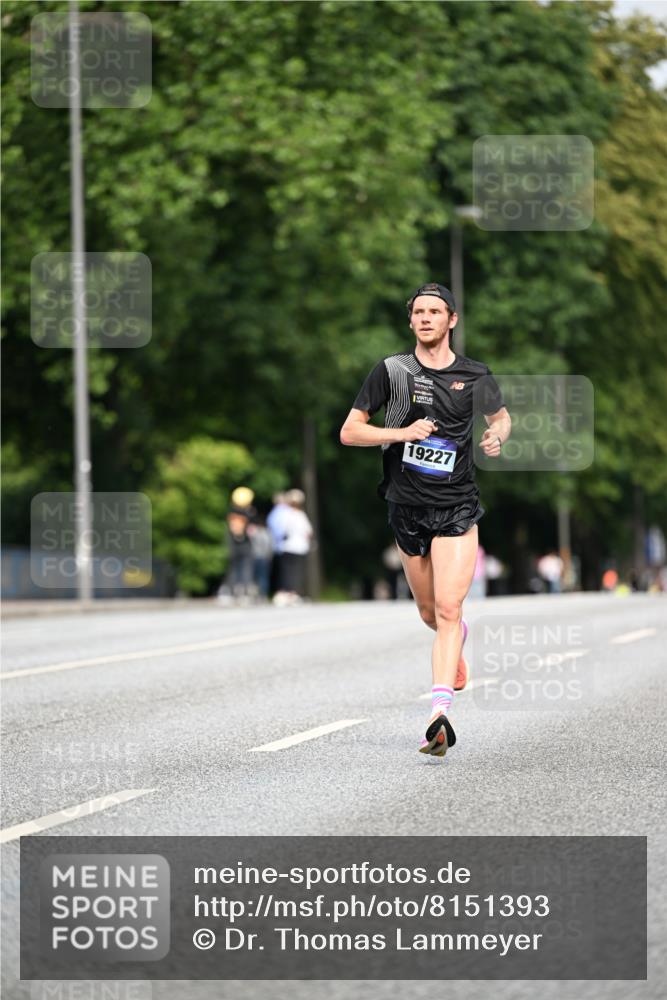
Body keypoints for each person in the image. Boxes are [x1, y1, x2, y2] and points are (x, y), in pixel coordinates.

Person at [340, 282, 511, 757]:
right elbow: (350, 431)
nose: (426, 318)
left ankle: (439, 715)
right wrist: (402, 432)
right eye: (418, 312)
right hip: (405, 505)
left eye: (435, 311)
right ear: (411, 320)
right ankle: (454, 640)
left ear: (451, 319)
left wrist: (497, 435)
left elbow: (500, 417)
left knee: (450, 609)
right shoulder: (392, 371)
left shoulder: (475, 375)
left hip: (457, 504)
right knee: (428, 612)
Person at [273, 489, 313, 605]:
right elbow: (308, 532)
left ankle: (286, 593)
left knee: (287, 571)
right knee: (296, 571)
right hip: (299, 547)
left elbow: (281, 530)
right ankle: (292, 593)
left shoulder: (286, 515)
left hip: (287, 546)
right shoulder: (301, 515)